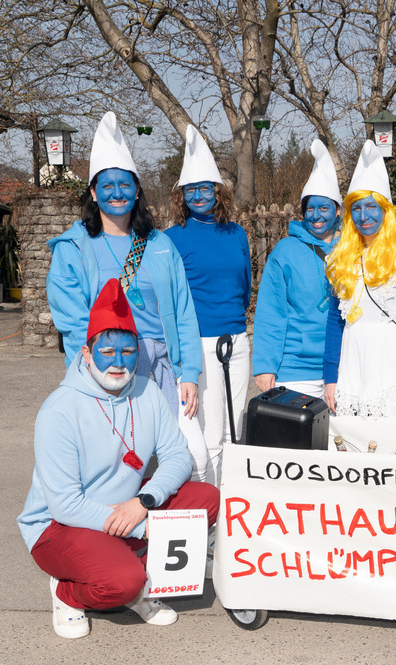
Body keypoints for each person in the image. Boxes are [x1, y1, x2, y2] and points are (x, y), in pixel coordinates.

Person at [18, 280, 220, 639]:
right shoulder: (58, 411)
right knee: (122, 582)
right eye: (107, 351)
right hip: (61, 526)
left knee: (206, 499)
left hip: (128, 507)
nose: (118, 362)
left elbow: (177, 455)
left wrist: (144, 502)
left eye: (128, 351)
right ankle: (68, 592)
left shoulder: (148, 391)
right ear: (86, 352)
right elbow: (64, 504)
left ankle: (139, 576)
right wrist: (142, 527)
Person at [46, 112, 209, 480]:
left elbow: (184, 312)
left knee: (192, 459)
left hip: (163, 366)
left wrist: (189, 373)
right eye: (107, 185)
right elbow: (73, 323)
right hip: (108, 366)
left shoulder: (160, 244)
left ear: (137, 191)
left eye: (125, 185)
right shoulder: (73, 249)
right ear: (93, 192)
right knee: (119, 469)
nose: (117, 193)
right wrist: (91, 376)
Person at [323, 140, 396, 420]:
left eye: (371, 206)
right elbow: (335, 321)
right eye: (356, 208)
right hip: (353, 373)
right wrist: (330, 377)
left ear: (386, 210)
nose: (364, 216)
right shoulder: (341, 259)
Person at [165, 124, 251, 483]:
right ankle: (210, 502)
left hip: (237, 340)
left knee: (236, 429)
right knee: (210, 432)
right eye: (191, 190)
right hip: (199, 342)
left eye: (205, 189)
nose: (198, 196)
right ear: (181, 195)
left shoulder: (237, 233)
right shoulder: (171, 238)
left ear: (218, 192)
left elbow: (245, 286)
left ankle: (233, 500)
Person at [253, 140, 342, 397]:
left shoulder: (352, 247)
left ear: (337, 210)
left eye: (324, 208)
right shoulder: (285, 251)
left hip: (344, 365)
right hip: (296, 369)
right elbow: (271, 311)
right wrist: (265, 365)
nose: (316, 215)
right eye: (310, 208)